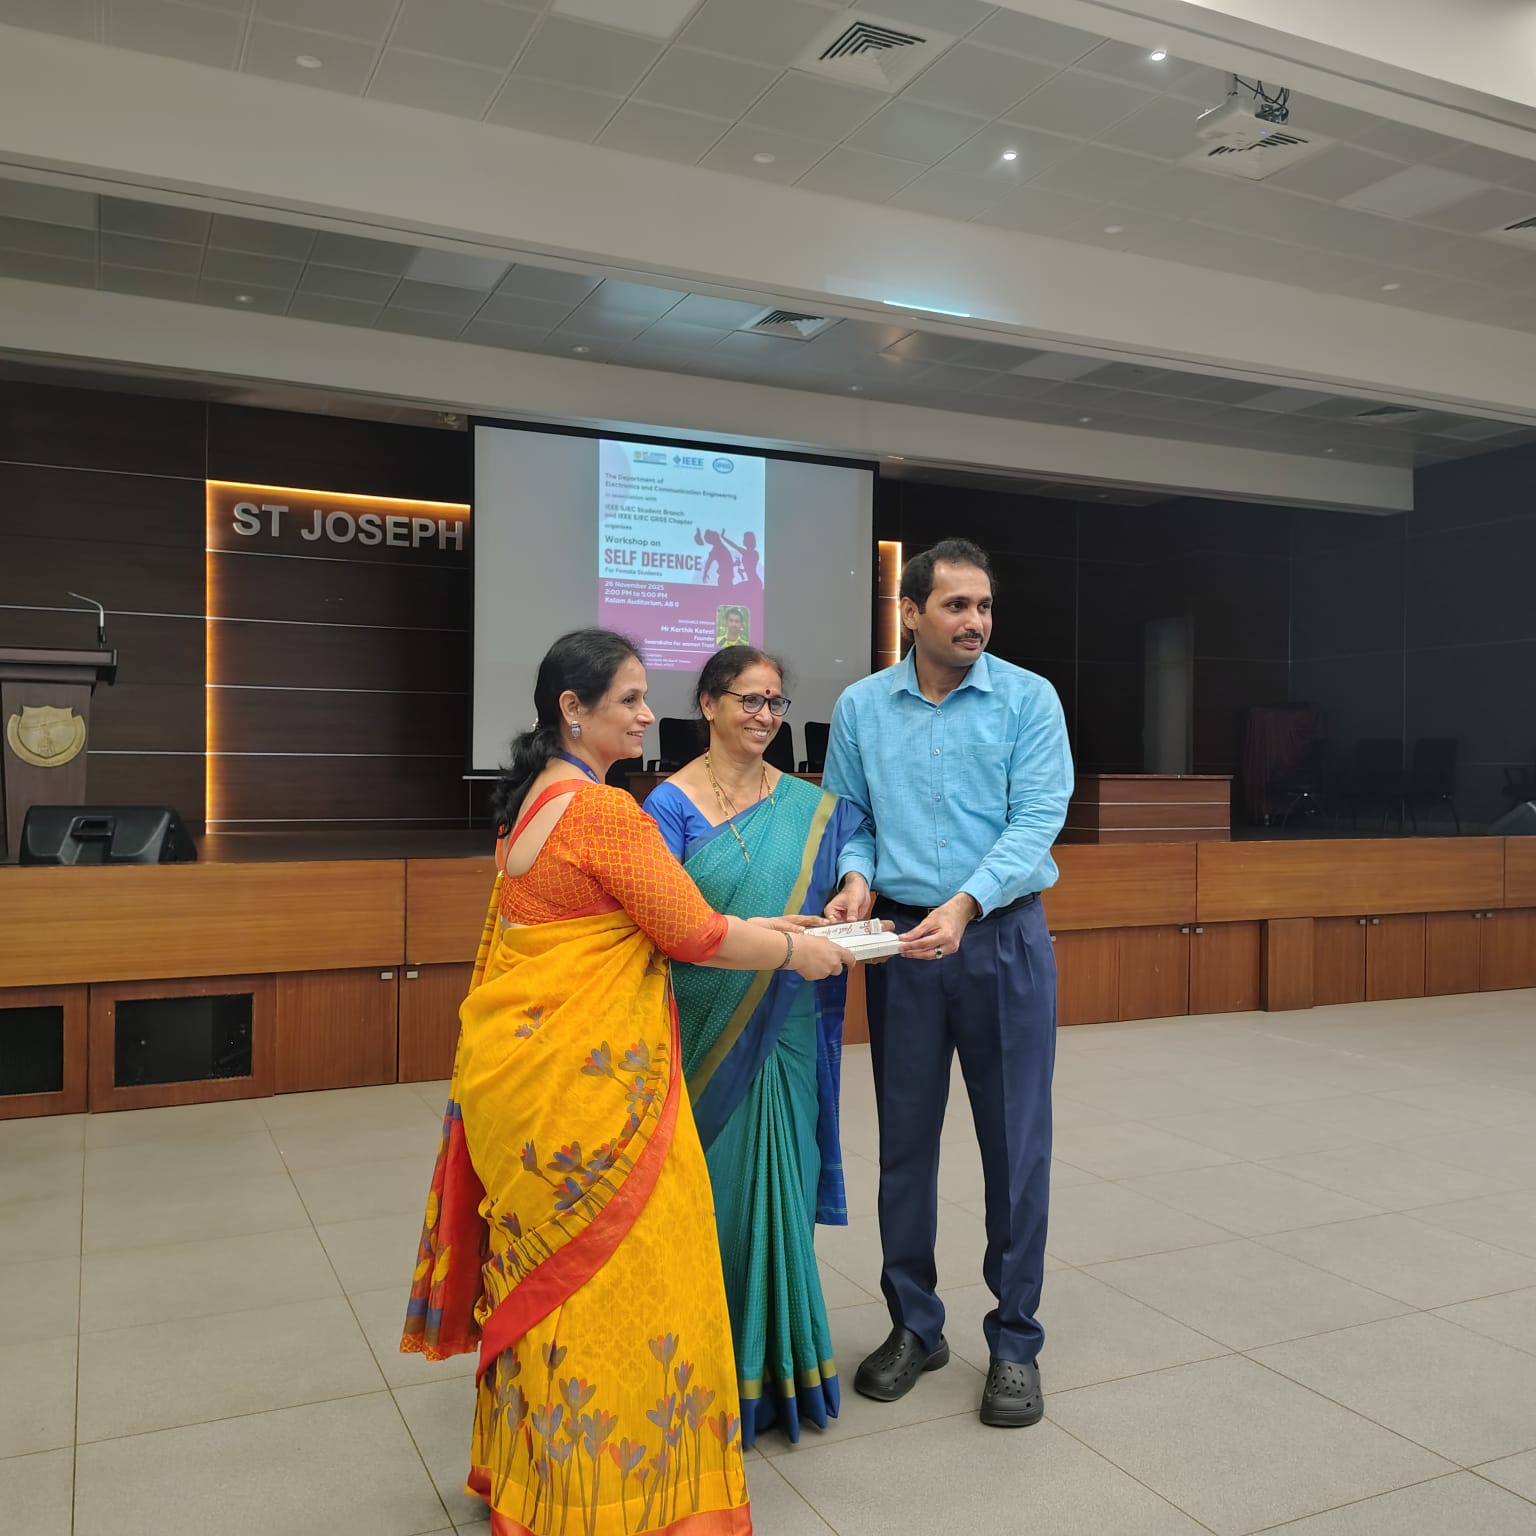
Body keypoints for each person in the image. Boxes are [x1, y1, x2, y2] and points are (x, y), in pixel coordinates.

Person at [402, 628, 855, 1535]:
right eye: (631, 700)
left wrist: (771, 927)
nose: (650, 715)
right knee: (628, 1286)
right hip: (601, 1109)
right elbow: (696, 935)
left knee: (546, 1283)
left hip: (524, 1092)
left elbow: (634, 921)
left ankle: (537, 1482)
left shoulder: (529, 806)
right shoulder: (605, 812)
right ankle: (613, 1500)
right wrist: (798, 953)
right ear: (573, 709)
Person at [821, 538, 1073, 1430]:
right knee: (904, 1144)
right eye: (956, 605)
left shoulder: (1028, 699)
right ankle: (914, 1326)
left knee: (1016, 1145)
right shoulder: (861, 706)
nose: (975, 621)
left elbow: (1037, 819)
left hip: (1000, 937)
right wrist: (856, 877)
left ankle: (1015, 1341)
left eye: (984, 606)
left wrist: (966, 903)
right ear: (911, 612)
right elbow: (852, 818)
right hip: (902, 943)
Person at [643, 648, 865, 1448]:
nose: (765, 716)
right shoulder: (668, 806)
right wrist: (763, 934)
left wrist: (854, 881)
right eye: (749, 700)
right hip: (708, 1025)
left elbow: (853, 838)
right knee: (720, 1202)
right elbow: (663, 920)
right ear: (708, 704)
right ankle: (710, 1373)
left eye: (775, 703)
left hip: (788, 1023)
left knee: (785, 1186)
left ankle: (781, 1370)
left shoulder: (807, 804)